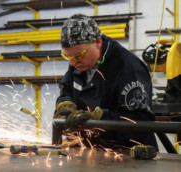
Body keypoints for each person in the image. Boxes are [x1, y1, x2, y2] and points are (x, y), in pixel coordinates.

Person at [54, 13, 158, 149]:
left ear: (97, 42)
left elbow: (139, 122)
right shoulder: (79, 61)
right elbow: (67, 89)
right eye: (68, 56)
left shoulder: (127, 68)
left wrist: (99, 118)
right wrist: (65, 104)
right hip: (91, 150)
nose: (73, 62)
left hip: (128, 154)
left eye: (78, 55)